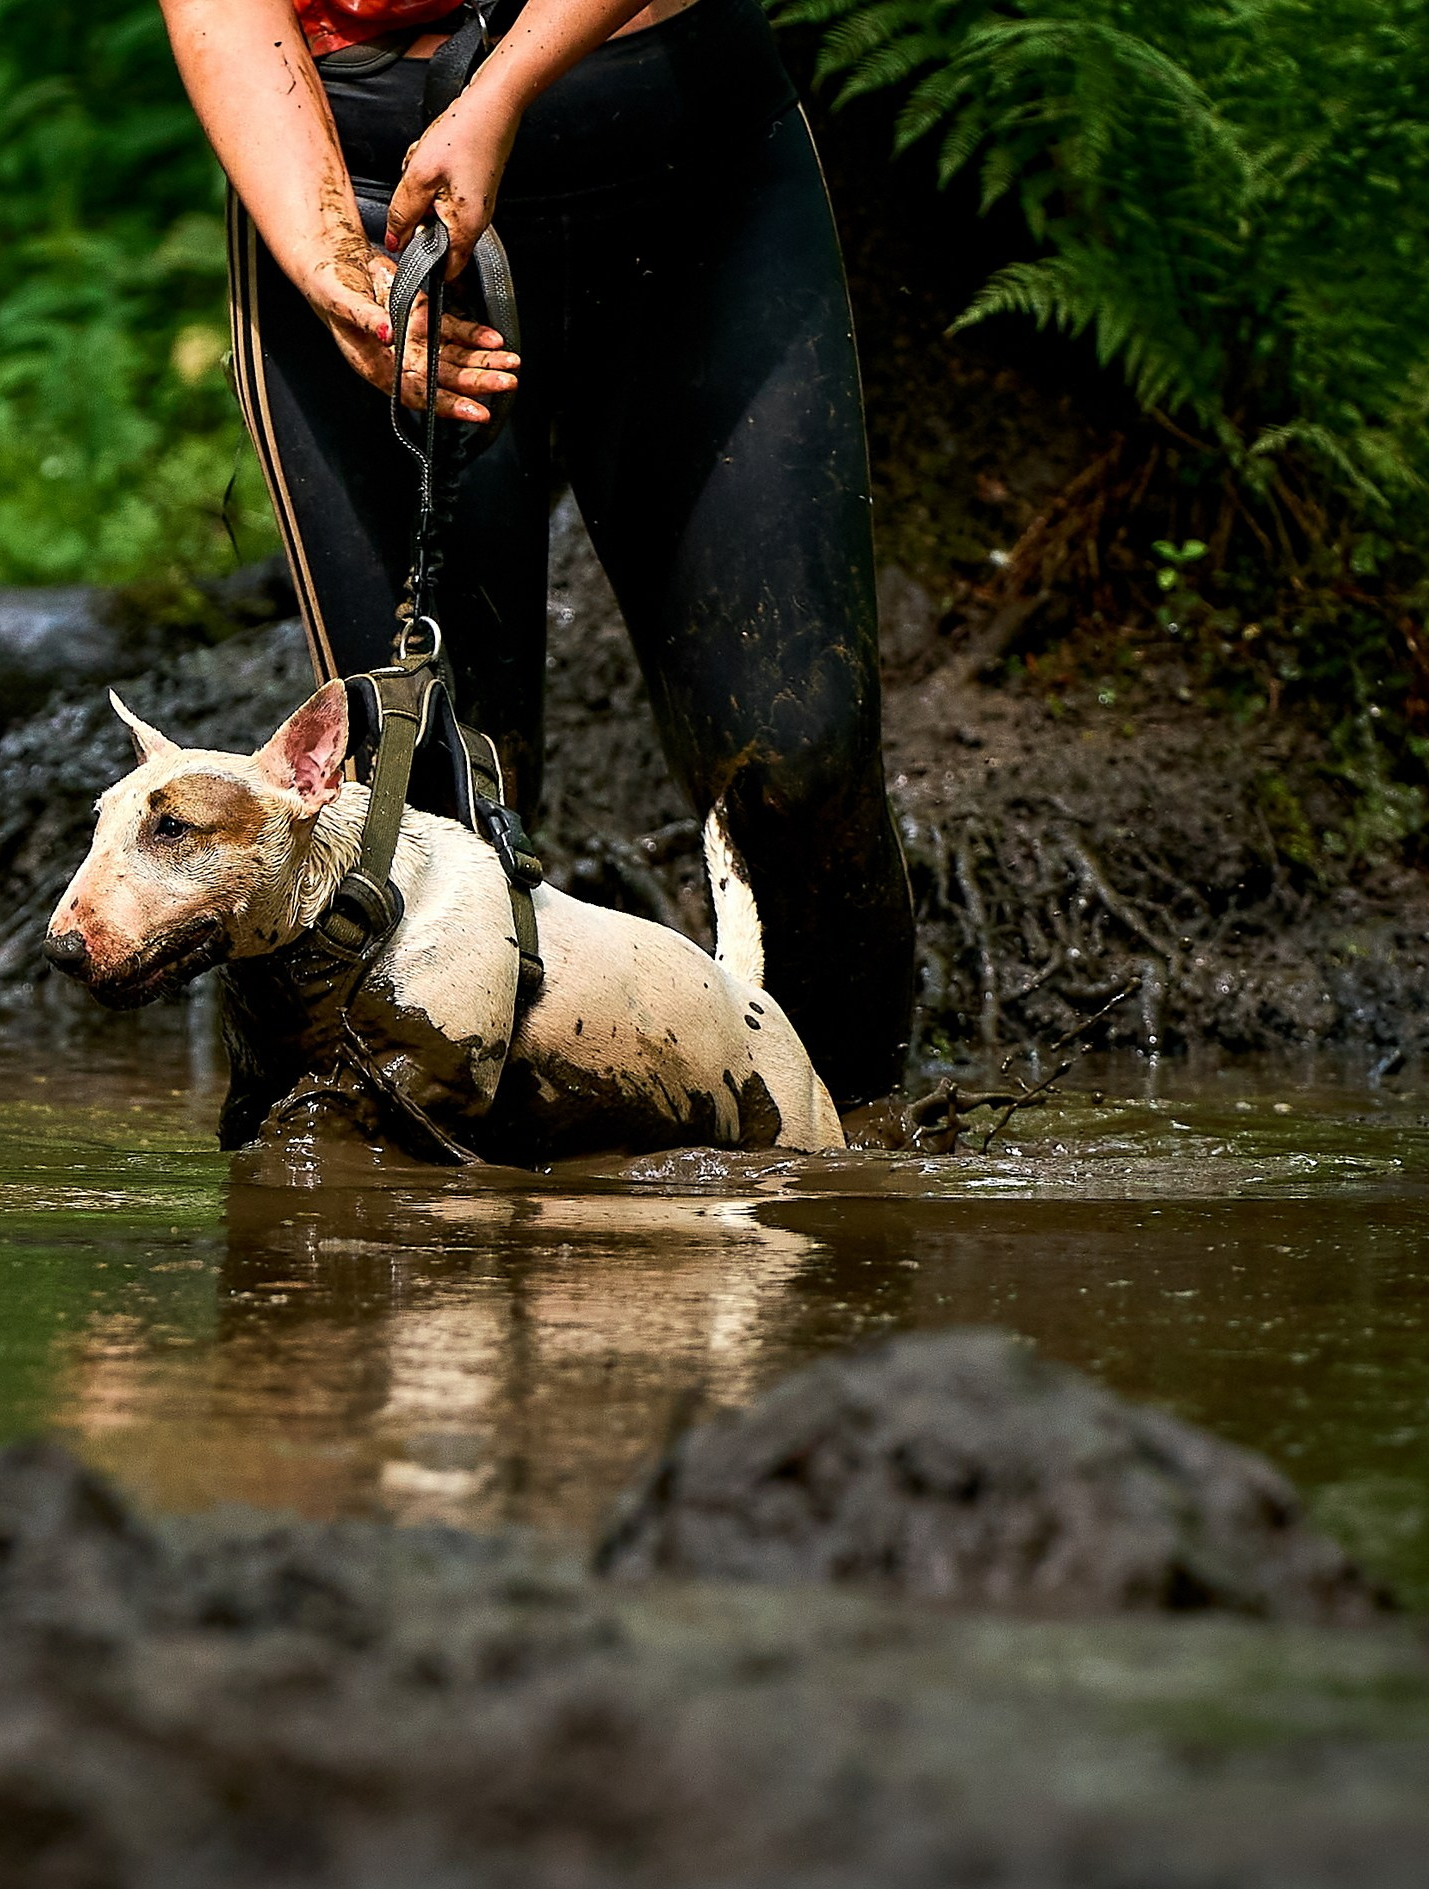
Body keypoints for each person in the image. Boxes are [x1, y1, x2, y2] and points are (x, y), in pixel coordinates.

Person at [157, 0, 914, 1106]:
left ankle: (859, 1158)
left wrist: (502, 88)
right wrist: (328, 265)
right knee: (430, 804)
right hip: (362, 186)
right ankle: (428, 1186)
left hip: (685, 154)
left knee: (801, 760)